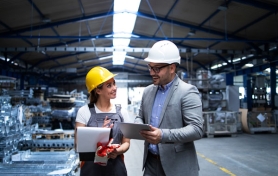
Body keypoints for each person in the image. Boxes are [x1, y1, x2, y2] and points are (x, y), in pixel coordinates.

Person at [134, 40, 204, 176]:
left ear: (172, 68)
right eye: (150, 67)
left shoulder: (187, 91)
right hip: (150, 164)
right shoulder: (148, 91)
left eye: (157, 69)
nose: (151, 73)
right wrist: (138, 127)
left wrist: (163, 135)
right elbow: (140, 116)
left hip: (177, 166)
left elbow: (196, 129)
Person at [75, 66, 130, 176]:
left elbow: (126, 142)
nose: (114, 88)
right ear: (98, 90)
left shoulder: (122, 113)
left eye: (114, 83)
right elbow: (78, 144)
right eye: (109, 85)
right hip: (91, 169)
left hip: (116, 168)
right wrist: (100, 134)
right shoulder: (84, 112)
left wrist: (117, 151)